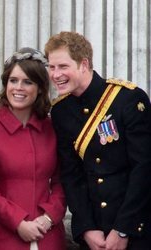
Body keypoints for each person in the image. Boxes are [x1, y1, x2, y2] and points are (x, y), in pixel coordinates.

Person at [45, 31, 151, 250]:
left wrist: (123, 228)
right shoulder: (61, 111)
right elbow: (71, 175)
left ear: (84, 64)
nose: (55, 74)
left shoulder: (128, 99)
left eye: (63, 66)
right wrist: (86, 228)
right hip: (95, 235)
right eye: (51, 67)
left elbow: (144, 168)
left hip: (135, 230)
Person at [0, 47, 67, 250]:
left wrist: (48, 218)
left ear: (40, 88)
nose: (19, 87)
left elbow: (63, 181)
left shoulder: (53, 128)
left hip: (48, 236)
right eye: (13, 80)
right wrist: (18, 222)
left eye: (28, 82)